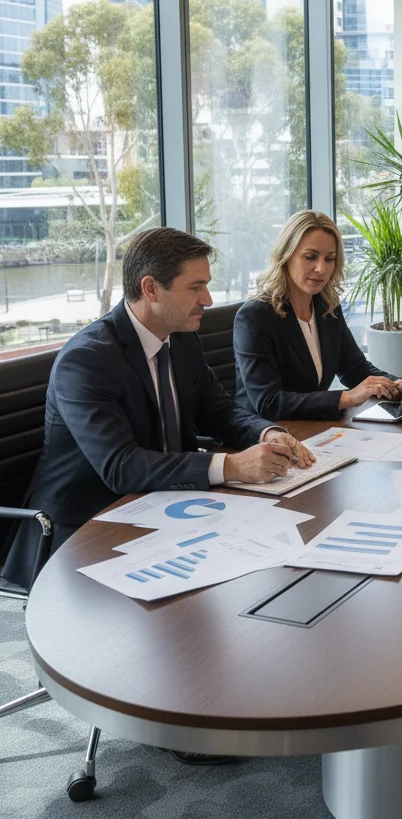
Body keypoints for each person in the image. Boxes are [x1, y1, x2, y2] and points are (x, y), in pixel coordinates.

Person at [2, 228, 314, 596]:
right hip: (86, 529)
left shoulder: (181, 338)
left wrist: (267, 433)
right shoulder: (86, 360)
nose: (208, 299)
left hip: (165, 506)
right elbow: (121, 466)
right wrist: (232, 466)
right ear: (150, 289)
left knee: (270, 571)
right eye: (195, 287)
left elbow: (221, 412)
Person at [234, 210, 402, 422]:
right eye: (310, 257)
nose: (321, 268)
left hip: (312, 427)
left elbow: (355, 369)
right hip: (264, 435)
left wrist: (396, 385)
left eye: (330, 259)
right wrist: (345, 398)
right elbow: (269, 403)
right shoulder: (254, 317)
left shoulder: (327, 308)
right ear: (285, 256)